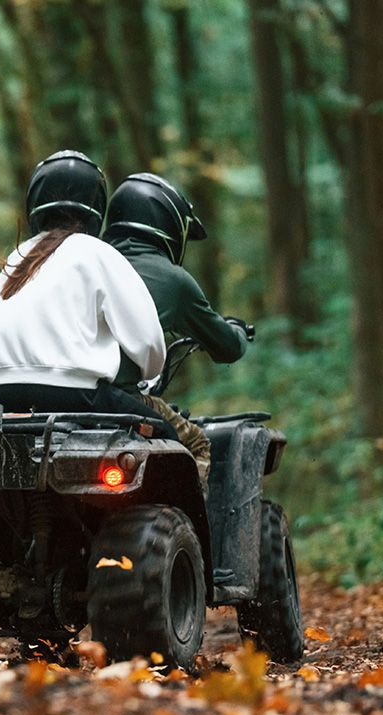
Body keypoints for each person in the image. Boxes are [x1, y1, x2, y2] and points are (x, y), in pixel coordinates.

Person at [0, 151, 176, 438]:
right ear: (97, 205)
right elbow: (149, 345)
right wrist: (145, 373)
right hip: (71, 395)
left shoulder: (19, 258)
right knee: (168, 437)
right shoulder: (96, 251)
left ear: (35, 204)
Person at [103, 172, 250, 485]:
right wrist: (236, 329)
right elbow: (227, 347)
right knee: (197, 444)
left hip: (65, 399)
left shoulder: (88, 261)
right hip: (118, 398)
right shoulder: (173, 279)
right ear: (168, 225)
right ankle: (189, 531)